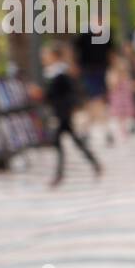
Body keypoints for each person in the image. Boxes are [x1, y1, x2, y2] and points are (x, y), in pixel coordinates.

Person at [40, 41, 101, 187]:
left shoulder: (61, 73)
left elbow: (63, 93)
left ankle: (60, 174)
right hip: (61, 111)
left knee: (58, 141)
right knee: (72, 140)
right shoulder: (54, 72)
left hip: (63, 112)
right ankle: (93, 163)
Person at [73, 8, 114, 145]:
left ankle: (86, 130)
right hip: (88, 71)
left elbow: (111, 53)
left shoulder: (107, 34)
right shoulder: (85, 34)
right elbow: (75, 50)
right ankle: (103, 130)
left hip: (101, 71)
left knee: (96, 101)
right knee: (95, 100)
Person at [106, 50, 135, 138]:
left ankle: (124, 129)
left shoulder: (126, 75)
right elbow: (111, 86)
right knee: (119, 115)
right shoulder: (112, 73)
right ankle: (121, 130)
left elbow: (130, 85)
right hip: (117, 99)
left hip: (125, 98)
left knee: (125, 115)